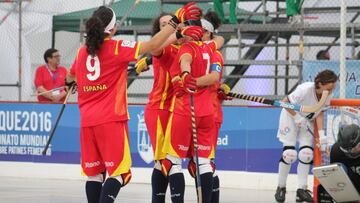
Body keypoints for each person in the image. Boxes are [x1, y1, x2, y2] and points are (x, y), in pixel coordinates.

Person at [65, 4, 201, 203]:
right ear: (112, 29)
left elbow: (69, 77)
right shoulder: (116, 47)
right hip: (111, 119)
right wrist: (175, 21)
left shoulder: (81, 52)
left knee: (94, 174)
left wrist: (72, 84)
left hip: (86, 121)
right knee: (120, 174)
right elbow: (154, 45)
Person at [274, 69, 338, 203]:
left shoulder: (327, 95)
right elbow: (285, 102)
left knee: (306, 154)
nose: (331, 91)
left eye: (333, 89)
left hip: (307, 120)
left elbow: (319, 113)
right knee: (289, 154)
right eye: (329, 88)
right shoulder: (305, 89)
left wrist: (322, 137)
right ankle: (281, 187)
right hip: (290, 116)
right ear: (320, 84)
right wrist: (297, 118)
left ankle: (302, 189)